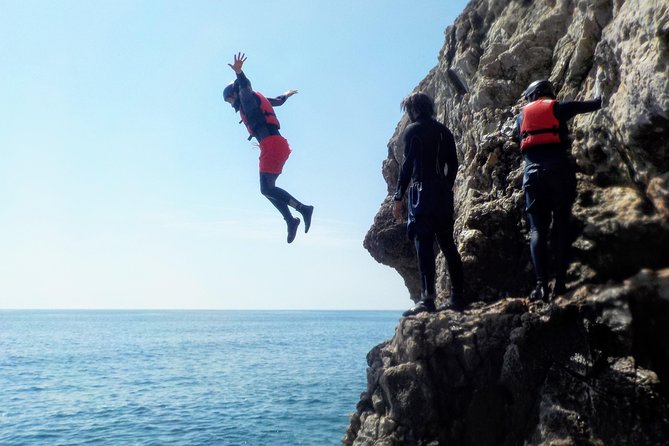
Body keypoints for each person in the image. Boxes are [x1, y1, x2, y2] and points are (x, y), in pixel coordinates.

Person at [513, 79, 602, 301]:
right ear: (548, 93)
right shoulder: (559, 107)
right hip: (559, 171)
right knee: (561, 224)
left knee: (537, 231)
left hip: (533, 176)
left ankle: (541, 286)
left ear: (532, 96)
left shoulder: (520, 116)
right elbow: (594, 103)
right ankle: (561, 283)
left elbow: (519, 139)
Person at [223, 52, 313, 243]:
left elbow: (245, 87)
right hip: (275, 145)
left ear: (233, 94)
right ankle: (291, 220)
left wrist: (239, 73)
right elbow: (278, 101)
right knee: (268, 188)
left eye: (229, 100)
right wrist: (287, 94)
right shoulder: (257, 99)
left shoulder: (245, 98)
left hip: (271, 144)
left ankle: (301, 211)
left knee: (266, 189)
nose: (230, 104)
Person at [393, 92, 466, 317]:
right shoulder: (445, 131)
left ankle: (427, 299)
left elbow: (407, 166)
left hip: (421, 192)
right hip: (442, 192)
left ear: (412, 110)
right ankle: (458, 296)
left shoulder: (413, 131)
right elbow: (453, 164)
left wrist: (398, 197)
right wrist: (445, 186)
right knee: (447, 244)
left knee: (423, 244)